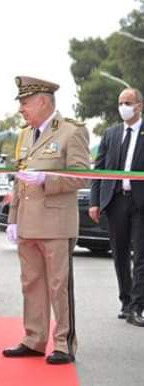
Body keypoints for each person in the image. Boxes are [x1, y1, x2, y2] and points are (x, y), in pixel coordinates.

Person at [2, 76, 90, 365]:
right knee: (31, 284)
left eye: (25, 103)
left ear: (42, 101)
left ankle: (64, 343)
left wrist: (47, 179)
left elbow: (81, 176)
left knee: (58, 286)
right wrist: (13, 218)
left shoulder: (71, 132)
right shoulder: (25, 134)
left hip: (56, 224)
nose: (21, 110)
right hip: (28, 223)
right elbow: (19, 181)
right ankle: (34, 338)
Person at [89, 87, 144, 327]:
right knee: (119, 253)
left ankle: (138, 305)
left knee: (141, 255)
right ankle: (125, 300)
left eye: (128, 102)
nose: (124, 107)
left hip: (141, 202)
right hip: (116, 201)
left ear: (139, 106)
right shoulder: (111, 134)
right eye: (121, 102)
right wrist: (94, 201)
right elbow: (99, 169)